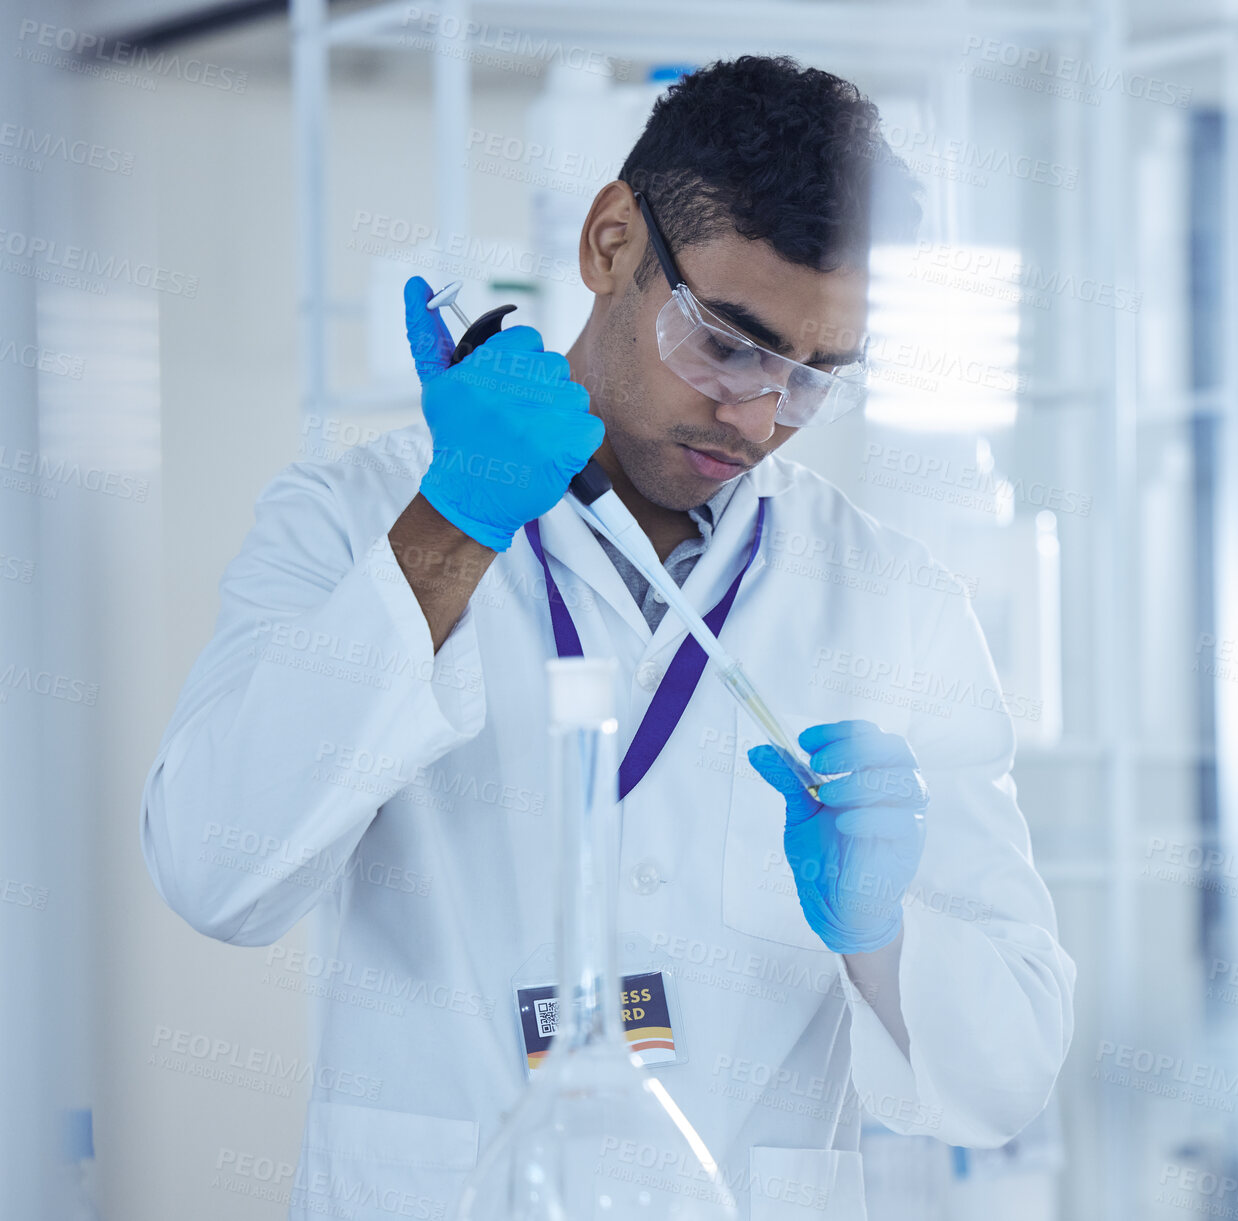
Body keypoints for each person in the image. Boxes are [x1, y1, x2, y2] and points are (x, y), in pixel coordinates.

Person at [139, 55, 1075, 1221]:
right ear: (610, 241)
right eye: (727, 344)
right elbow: (214, 872)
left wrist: (885, 935)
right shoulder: (352, 519)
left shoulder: (893, 597)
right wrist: (454, 522)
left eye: (815, 377)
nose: (759, 415)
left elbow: (1010, 1077)